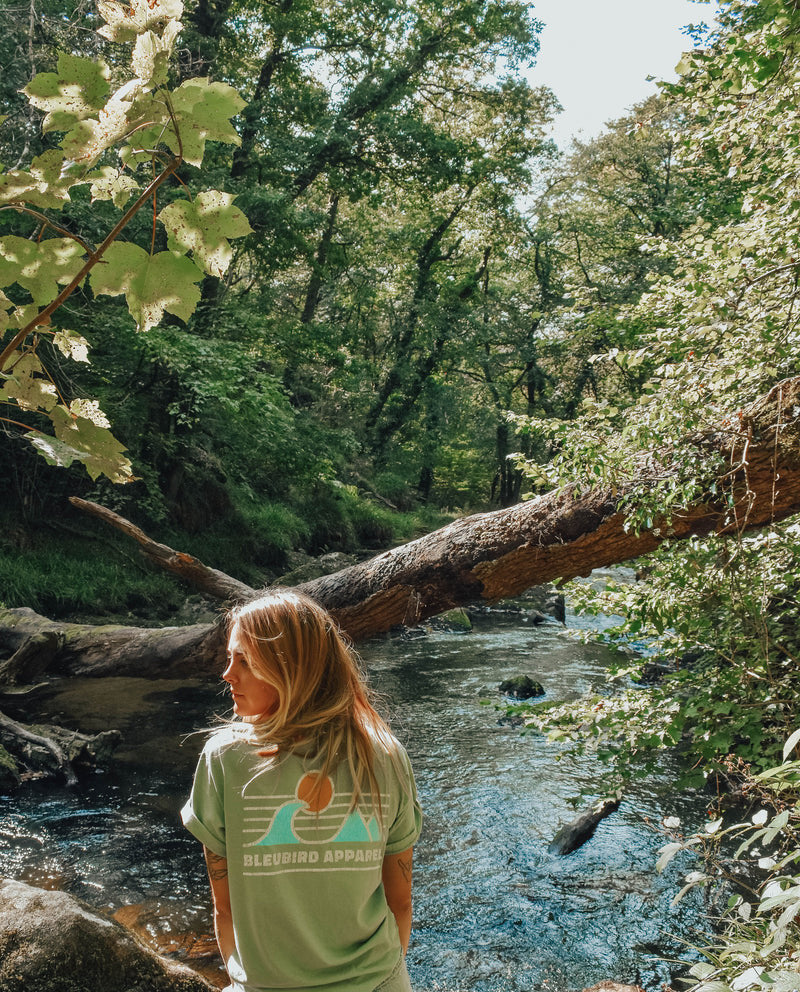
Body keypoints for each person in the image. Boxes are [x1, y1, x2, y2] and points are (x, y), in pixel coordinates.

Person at [181, 589, 422, 992]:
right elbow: (401, 902)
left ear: (290, 668)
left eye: (244, 660)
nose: (227, 674)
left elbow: (224, 909)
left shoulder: (224, 758)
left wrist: (250, 980)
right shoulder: (384, 754)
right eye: (230, 658)